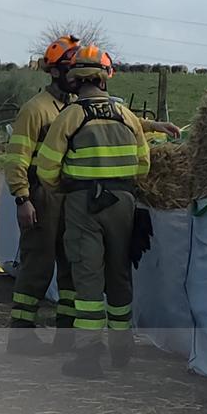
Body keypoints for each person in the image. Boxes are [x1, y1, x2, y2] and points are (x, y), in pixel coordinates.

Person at [35, 43, 154, 378]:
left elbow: (46, 169)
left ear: (76, 82)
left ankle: (88, 356)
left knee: (88, 278)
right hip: (124, 203)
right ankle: (121, 348)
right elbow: (143, 164)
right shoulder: (127, 116)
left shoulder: (70, 116)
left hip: (83, 204)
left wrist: (65, 190)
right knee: (119, 275)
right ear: (104, 81)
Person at [4, 35, 80, 354]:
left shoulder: (77, 106)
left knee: (72, 266)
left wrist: (153, 127)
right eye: (70, 69)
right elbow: (17, 159)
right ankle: (21, 335)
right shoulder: (35, 110)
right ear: (54, 71)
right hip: (42, 195)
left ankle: (67, 334)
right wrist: (23, 199)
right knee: (37, 265)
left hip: (72, 197)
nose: (76, 76)